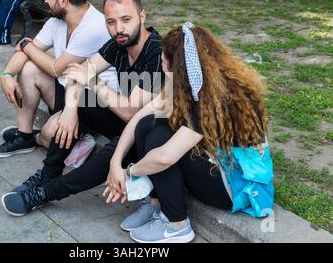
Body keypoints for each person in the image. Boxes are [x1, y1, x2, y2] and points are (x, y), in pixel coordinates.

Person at [103, 22, 274, 243]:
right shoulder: (196, 82)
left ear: (180, 67)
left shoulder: (212, 100)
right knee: (149, 123)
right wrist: (114, 162)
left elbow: (165, 157)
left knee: (160, 141)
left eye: (165, 63)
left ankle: (177, 225)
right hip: (218, 162)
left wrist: (128, 173)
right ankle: (156, 204)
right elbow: (140, 117)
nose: (162, 66)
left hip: (233, 186)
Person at [0, 0, 165, 217]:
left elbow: (129, 111)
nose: (118, 28)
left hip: (154, 137)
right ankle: (49, 173)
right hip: (131, 124)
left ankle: (46, 193)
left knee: (110, 152)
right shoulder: (118, 44)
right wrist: (69, 110)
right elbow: (78, 74)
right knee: (78, 103)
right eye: (111, 22)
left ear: (142, 16)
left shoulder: (157, 52)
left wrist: (93, 82)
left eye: (126, 20)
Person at [0, 0, 119, 158]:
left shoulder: (93, 27)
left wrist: (26, 43)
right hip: (69, 90)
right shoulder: (58, 19)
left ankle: (56, 136)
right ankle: (25, 136)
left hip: (94, 102)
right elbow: (28, 52)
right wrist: (6, 74)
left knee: (49, 135)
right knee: (29, 68)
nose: (45, 1)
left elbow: (56, 68)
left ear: (63, 1)